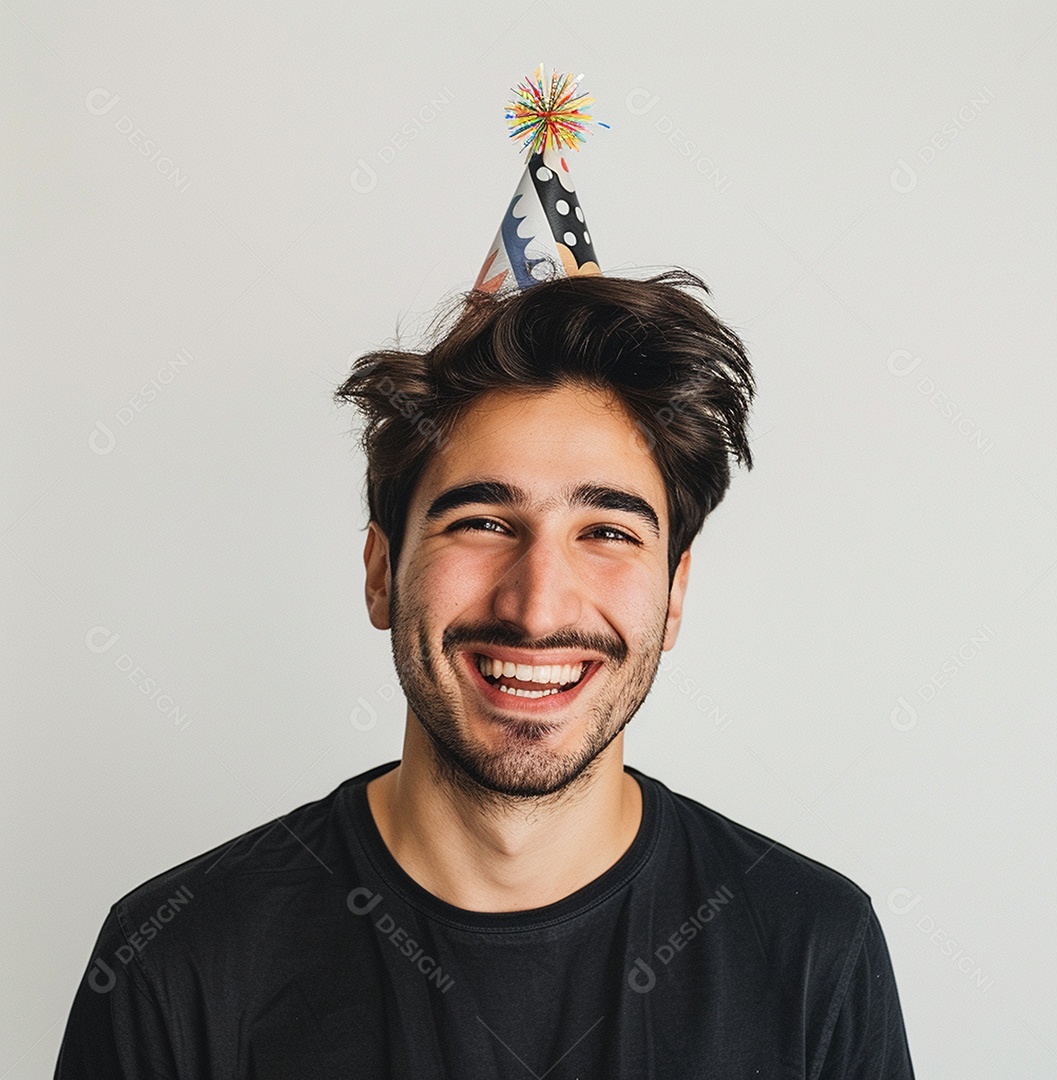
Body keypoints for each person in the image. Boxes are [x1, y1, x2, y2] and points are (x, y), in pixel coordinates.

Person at [54, 68, 916, 1079]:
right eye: (481, 521)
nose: (538, 603)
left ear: (676, 593)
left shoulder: (812, 949)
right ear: (381, 571)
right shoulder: (178, 959)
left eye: (606, 531)